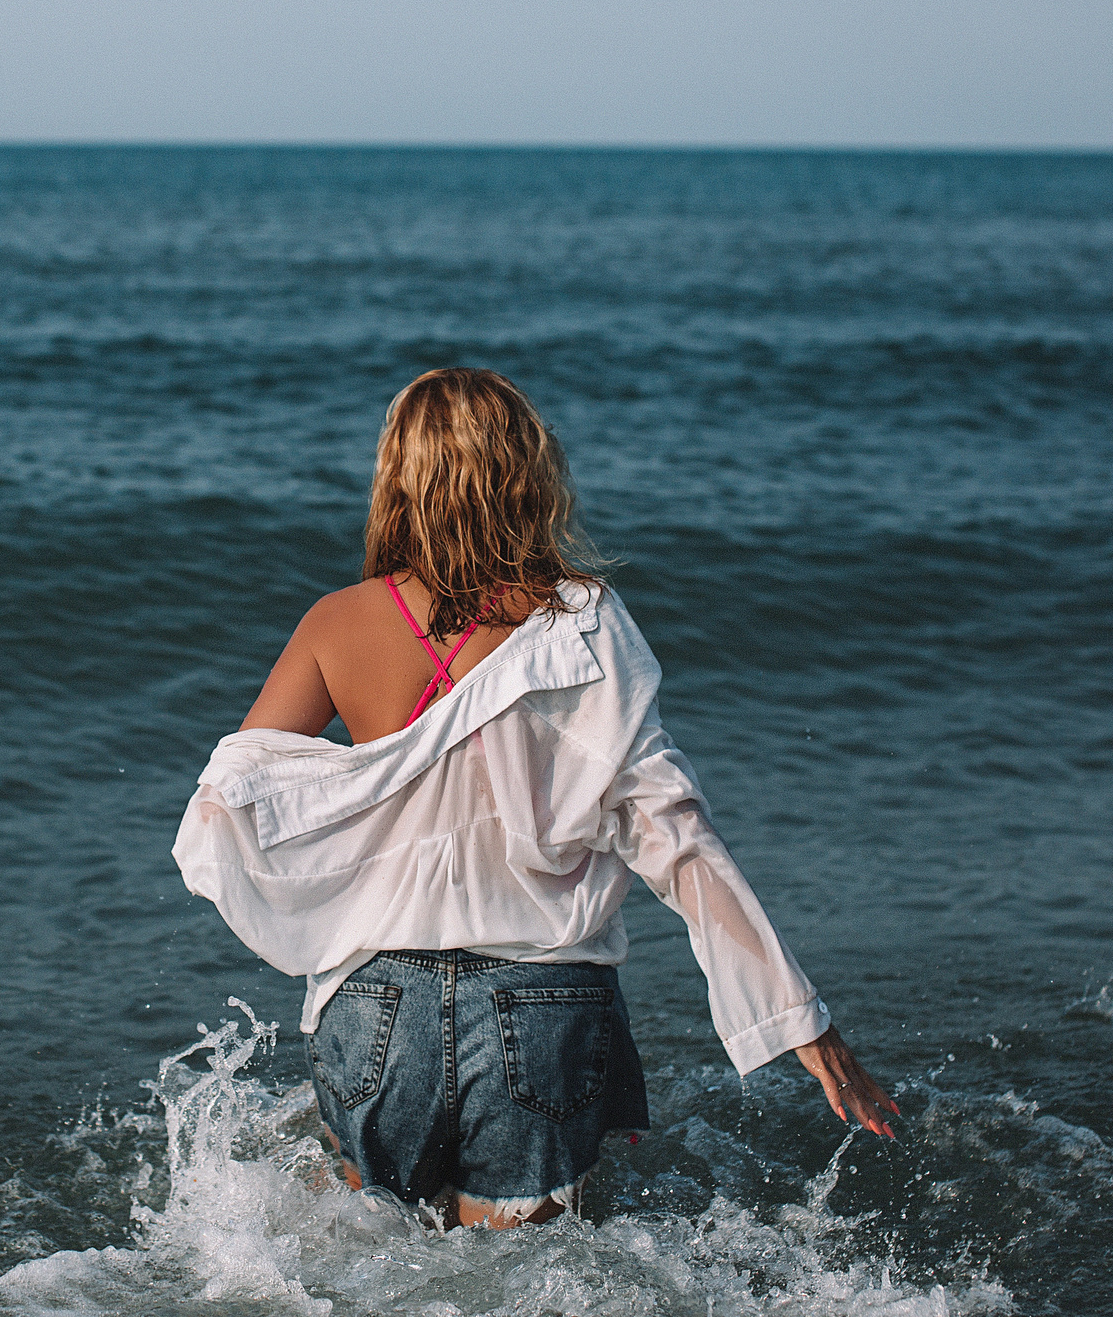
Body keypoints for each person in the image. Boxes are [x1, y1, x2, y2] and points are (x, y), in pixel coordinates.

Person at [174, 367, 899, 1229]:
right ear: (526, 471)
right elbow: (672, 831)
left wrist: (365, 812)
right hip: (543, 1002)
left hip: (374, 1007)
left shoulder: (337, 623)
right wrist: (799, 1017)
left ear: (397, 478)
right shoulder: (584, 620)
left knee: (376, 1272)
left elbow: (228, 803)